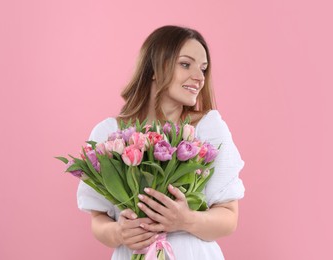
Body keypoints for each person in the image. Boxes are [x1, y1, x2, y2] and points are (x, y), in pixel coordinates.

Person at [77, 25, 245, 259]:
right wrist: (119, 232)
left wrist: (186, 220)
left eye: (203, 69)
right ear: (155, 68)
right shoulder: (109, 133)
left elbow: (229, 217)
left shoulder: (208, 128)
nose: (199, 77)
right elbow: (98, 220)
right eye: (186, 64)